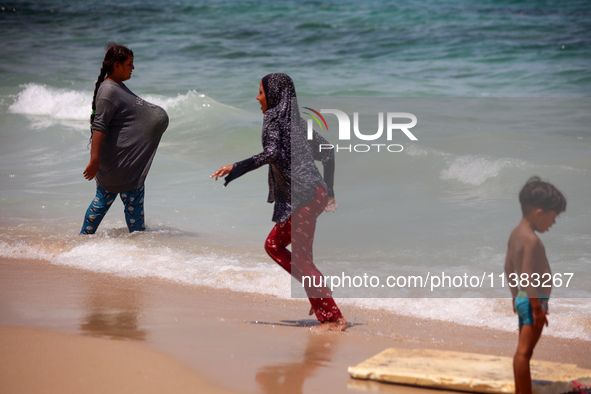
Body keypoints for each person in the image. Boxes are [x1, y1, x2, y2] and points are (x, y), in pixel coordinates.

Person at [211, 73, 347, 332]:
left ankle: (333, 317)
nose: (257, 97)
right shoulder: (297, 123)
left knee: (275, 245)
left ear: (273, 96)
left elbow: (272, 153)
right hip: (314, 193)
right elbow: (328, 152)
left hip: (304, 198)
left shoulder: (273, 119)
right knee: (301, 256)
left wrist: (235, 167)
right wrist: (329, 192)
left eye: (261, 92)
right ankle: (321, 297)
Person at [80, 43, 169, 235]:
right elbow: (99, 127)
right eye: (130, 64)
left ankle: (85, 241)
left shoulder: (117, 87)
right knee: (110, 206)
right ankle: (84, 242)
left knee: (108, 205)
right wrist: (94, 161)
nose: (133, 68)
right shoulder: (109, 91)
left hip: (126, 165)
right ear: (117, 65)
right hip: (119, 165)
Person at [504, 176, 566, 394]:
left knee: (522, 352)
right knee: (523, 353)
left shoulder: (514, 235)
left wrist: (515, 296)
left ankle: (522, 391)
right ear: (539, 213)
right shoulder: (531, 240)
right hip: (533, 301)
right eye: (553, 217)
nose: (553, 222)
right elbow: (528, 276)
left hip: (523, 298)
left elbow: (508, 269)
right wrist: (537, 307)